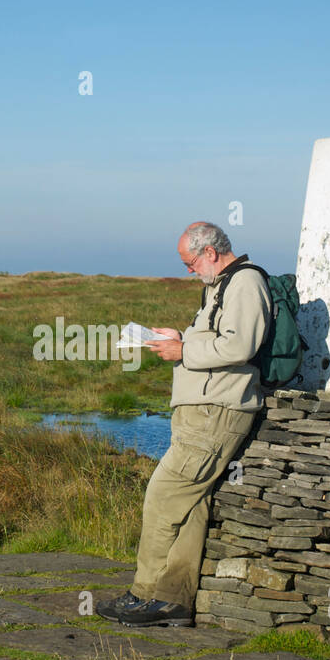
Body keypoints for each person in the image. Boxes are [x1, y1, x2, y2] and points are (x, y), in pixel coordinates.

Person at [99, 222, 271, 627]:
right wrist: (179, 337)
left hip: (216, 411)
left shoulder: (244, 283)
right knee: (191, 503)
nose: (189, 270)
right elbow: (217, 339)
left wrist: (182, 348)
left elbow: (240, 345)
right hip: (203, 410)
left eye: (190, 262)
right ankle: (172, 602)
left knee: (162, 496)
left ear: (210, 251)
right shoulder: (220, 284)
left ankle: (143, 595)